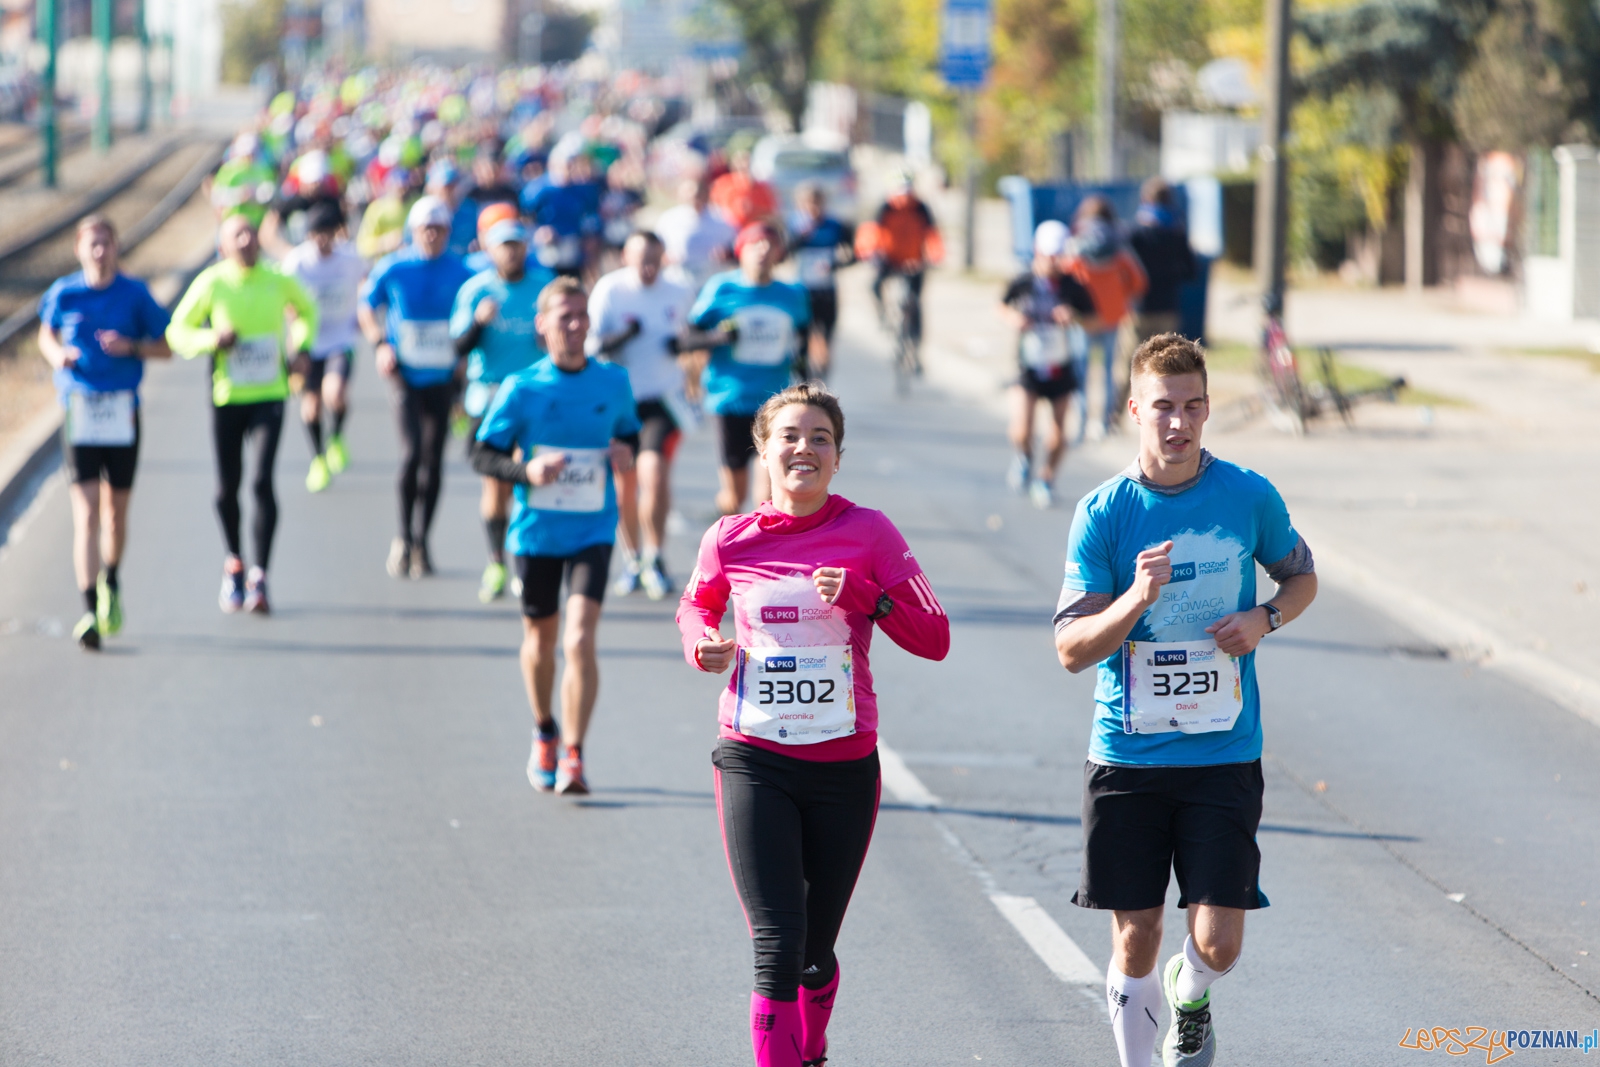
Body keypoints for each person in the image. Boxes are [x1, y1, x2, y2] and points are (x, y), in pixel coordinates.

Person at [1052, 334, 1318, 1067]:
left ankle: (1191, 992)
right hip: (1127, 755)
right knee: (1135, 933)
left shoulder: (1246, 495)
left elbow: (1302, 578)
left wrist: (1264, 618)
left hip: (1223, 749)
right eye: (1162, 407)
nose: (1178, 423)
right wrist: (1136, 598)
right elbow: (1071, 649)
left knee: (1219, 943)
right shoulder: (1104, 513)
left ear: (1207, 410)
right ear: (1134, 408)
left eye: (1193, 406)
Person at [676, 382, 950, 1067]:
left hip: (843, 768)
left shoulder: (871, 533)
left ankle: (811, 1044)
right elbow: (694, 607)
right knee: (775, 947)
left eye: (820, 437)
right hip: (754, 757)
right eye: (790, 437)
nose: (805, 448)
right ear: (763, 452)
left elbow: (935, 635)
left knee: (813, 955)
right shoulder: (729, 538)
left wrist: (863, 594)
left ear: (837, 457)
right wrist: (702, 642)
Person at [470, 277, 641, 795]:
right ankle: (544, 728)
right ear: (541, 325)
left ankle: (574, 754)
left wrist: (625, 453)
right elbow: (482, 454)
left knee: (580, 638)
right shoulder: (521, 388)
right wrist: (528, 473)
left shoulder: (613, 381)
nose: (574, 325)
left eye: (581, 315)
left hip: (593, 527)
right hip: (537, 532)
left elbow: (629, 433)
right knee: (541, 642)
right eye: (563, 317)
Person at [168, 213, 319, 615]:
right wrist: (211, 339)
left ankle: (261, 576)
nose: (248, 241)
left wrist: (301, 348)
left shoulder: (276, 278)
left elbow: (307, 310)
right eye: (239, 236)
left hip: (270, 394)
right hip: (227, 396)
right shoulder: (212, 282)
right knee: (226, 489)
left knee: (261, 482)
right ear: (224, 246)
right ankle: (234, 559)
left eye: (252, 234)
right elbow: (177, 332)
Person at [37, 216, 172, 650]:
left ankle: (111, 578)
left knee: (115, 513)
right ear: (79, 249)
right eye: (92, 245)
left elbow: (167, 346)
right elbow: (45, 333)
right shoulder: (64, 292)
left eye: (106, 244)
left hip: (121, 412)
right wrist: (58, 354)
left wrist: (131, 347)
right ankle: (90, 610)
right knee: (88, 512)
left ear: (116, 248)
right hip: (79, 409)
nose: (99, 252)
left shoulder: (135, 295)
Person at [360, 195, 476, 579]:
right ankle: (403, 536)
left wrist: (466, 353)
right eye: (426, 229)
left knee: (435, 460)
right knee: (410, 455)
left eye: (439, 229)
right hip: (404, 373)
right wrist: (379, 344)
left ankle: (423, 540)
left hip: (442, 376)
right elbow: (366, 305)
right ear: (413, 232)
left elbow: (477, 310)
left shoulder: (460, 270)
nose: (432, 236)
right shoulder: (394, 267)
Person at [451, 213, 555, 603]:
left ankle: (524, 561)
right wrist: (479, 323)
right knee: (496, 488)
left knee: (531, 484)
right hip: (489, 398)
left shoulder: (544, 288)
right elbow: (458, 347)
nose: (512, 253)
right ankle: (496, 562)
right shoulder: (476, 290)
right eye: (504, 246)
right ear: (490, 250)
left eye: (517, 245)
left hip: (535, 398)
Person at [586, 231, 693, 599]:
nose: (648, 267)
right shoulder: (610, 290)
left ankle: (656, 556)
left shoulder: (678, 290)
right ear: (625, 257)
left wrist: (687, 350)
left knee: (655, 475)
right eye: (641, 259)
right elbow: (593, 347)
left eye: (655, 259)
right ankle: (633, 559)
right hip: (619, 402)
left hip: (660, 400)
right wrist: (625, 335)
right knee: (623, 488)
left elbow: (689, 335)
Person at [688, 221, 811, 516]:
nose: (764, 251)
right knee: (735, 495)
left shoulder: (792, 293)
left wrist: (805, 382)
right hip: (730, 397)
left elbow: (802, 338)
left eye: (771, 245)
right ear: (741, 250)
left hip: (773, 399)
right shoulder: (722, 287)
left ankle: (761, 552)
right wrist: (719, 337)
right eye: (756, 244)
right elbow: (689, 336)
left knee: (767, 493)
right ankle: (724, 532)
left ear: (780, 252)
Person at [999, 219, 1095, 510]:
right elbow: (1001, 305)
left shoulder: (1073, 285)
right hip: (1029, 364)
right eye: (1048, 255)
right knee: (1022, 428)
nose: (1053, 262)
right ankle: (1024, 457)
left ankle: (1047, 477)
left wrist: (1074, 317)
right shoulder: (1024, 281)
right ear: (1038, 252)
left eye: (1058, 256)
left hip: (1060, 365)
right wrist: (1014, 318)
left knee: (1057, 431)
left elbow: (1096, 319)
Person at [281, 200, 367, 492]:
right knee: (311, 407)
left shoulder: (350, 258)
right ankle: (318, 458)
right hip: (309, 341)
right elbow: (288, 304)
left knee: (336, 394)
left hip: (340, 339)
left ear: (337, 233)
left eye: (327, 232)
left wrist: (360, 311)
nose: (321, 239)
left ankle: (337, 438)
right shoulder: (297, 262)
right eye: (315, 233)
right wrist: (295, 346)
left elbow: (366, 280)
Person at [1063, 196, 1148, 441]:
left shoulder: (1076, 244)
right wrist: (1123, 300)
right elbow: (1138, 280)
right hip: (1111, 316)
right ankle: (1103, 424)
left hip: (1083, 318)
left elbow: (1066, 278)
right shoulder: (1118, 245)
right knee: (1109, 370)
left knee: (1082, 371)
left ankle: (1081, 423)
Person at [862, 172, 943, 348]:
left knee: (915, 302)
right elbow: (873, 232)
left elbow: (932, 235)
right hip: (890, 259)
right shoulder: (887, 207)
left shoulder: (921, 208)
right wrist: (871, 252)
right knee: (875, 286)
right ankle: (883, 315)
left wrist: (935, 256)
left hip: (915, 261)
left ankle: (916, 344)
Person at [787, 184, 855, 379]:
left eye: (817, 203)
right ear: (800, 205)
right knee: (803, 338)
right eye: (808, 204)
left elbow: (852, 255)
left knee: (827, 336)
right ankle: (803, 380)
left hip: (827, 289)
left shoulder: (835, 225)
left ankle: (823, 377)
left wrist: (835, 264)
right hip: (802, 290)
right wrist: (801, 236)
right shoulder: (795, 224)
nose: (813, 208)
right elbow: (785, 251)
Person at [1128, 178, 1199, 345]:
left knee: (1135, 362)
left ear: (1145, 199)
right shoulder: (1177, 233)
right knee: (1165, 362)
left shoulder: (1136, 233)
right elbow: (1191, 271)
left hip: (1140, 306)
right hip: (1168, 305)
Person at [657, 177, 737, 293]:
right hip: (678, 284)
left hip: (712, 284)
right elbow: (656, 250)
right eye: (688, 193)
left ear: (706, 194)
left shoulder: (722, 217)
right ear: (680, 194)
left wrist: (726, 254)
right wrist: (666, 258)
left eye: (698, 193)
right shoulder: (668, 219)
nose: (694, 197)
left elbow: (736, 248)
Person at [709, 149, 778, 229]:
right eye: (739, 160)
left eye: (746, 159)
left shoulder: (761, 187)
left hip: (752, 230)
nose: (743, 164)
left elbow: (770, 213)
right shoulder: (721, 185)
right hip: (728, 231)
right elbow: (713, 213)